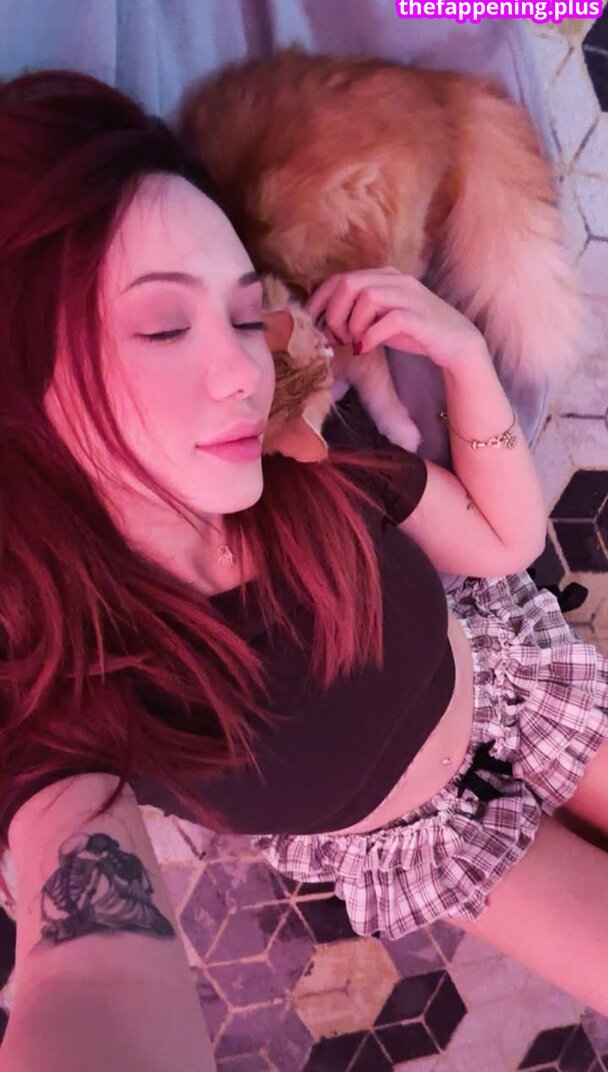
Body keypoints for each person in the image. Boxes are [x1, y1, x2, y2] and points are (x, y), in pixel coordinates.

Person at [0, 66, 607, 1071]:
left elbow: (502, 545)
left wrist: (463, 359)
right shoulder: (68, 687)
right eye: (163, 325)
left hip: (509, 690)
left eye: (245, 316)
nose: (245, 370)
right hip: (423, 842)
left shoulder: (305, 460)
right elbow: (93, 975)